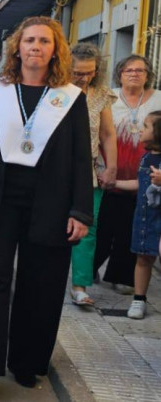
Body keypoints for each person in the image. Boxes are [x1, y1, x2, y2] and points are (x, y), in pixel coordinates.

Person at [0, 16, 92, 395]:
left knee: (41, 285)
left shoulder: (71, 98)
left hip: (50, 201)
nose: (35, 46)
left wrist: (81, 211)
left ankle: (27, 360)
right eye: (29, 40)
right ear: (17, 47)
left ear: (54, 50)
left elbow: (82, 158)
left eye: (44, 41)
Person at [96, 54, 161, 295]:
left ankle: (121, 275)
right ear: (120, 74)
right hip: (108, 172)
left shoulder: (158, 100)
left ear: (148, 75)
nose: (134, 74)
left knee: (129, 227)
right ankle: (89, 268)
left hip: (145, 177)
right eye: (128, 70)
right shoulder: (108, 97)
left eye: (140, 70)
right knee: (101, 225)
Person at [68, 43, 118, 307]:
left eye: (89, 73)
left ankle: (79, 285)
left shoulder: (101, 94)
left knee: (88, 228)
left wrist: (111, 167)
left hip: (88, 171)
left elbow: (108, 134)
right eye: (77, 72)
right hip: (55, 172)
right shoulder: (55, 89)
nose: (83, 78)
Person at [127, 111, 161, 319]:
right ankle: (139, 299)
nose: (141, 129)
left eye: (146, 126)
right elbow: (141, 184)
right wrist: (114, 183)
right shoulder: (147, 158)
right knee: (143, 258)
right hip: (146, 218)